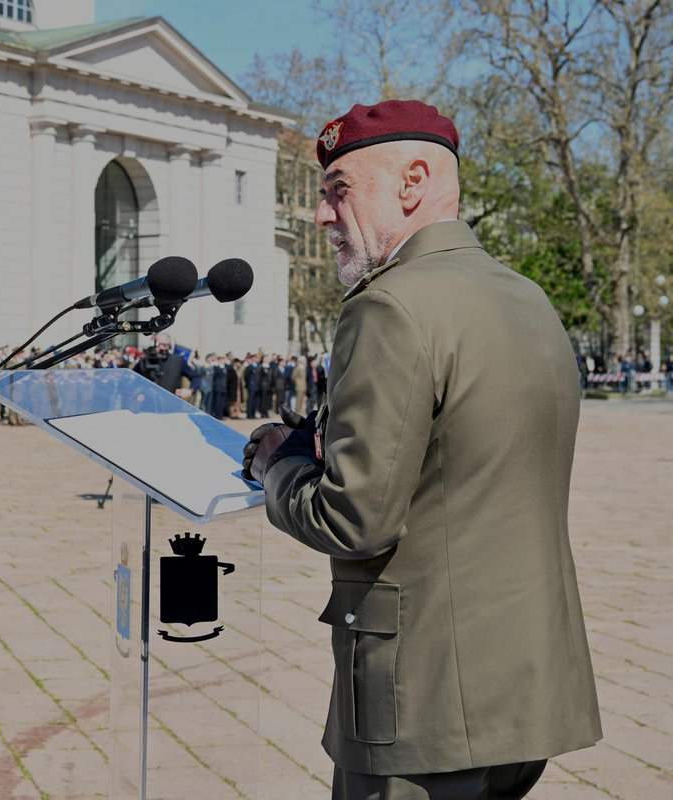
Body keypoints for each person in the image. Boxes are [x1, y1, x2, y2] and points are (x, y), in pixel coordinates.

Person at [243, 100, 600, 798]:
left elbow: (353, 519)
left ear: (412, 182)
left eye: (339, 188)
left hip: (423, 699)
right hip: (526, 682)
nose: (322, 214)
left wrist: (278, 463)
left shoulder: (390, 306)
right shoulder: (525, 296)